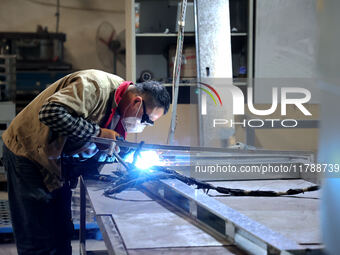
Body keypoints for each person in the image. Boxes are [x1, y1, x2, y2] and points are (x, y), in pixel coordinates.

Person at [1, 69, 170, 255]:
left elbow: (98, 141)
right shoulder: (94, 86)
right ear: (137, 102)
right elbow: (50, 113)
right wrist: (97, 133)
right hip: (27, 152)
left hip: (55, 162)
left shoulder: (120, 107)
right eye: (146, 120)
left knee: (61, 234)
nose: (143, 125)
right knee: (37, 238)